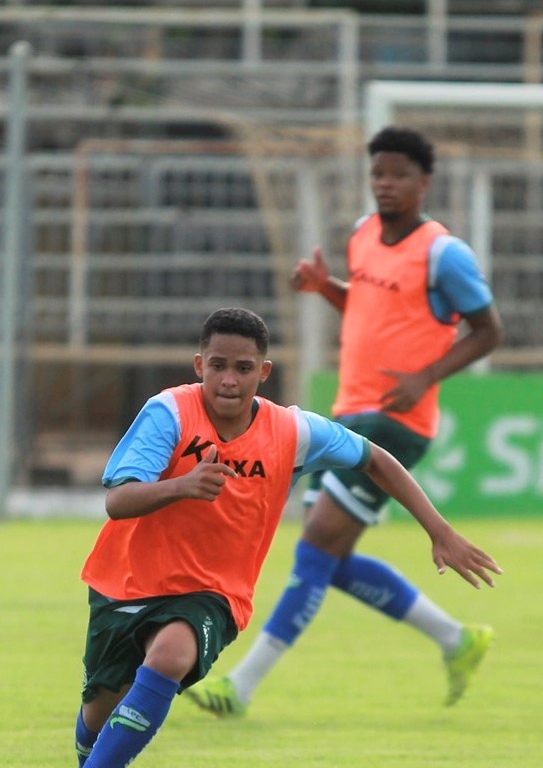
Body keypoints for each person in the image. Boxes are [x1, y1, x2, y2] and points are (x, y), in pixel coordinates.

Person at [35, 307, 499, 768]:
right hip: (125, 582)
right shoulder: (169, 413)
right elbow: (119, 501)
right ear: (199, 366)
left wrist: (438, 530)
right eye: (217, 366)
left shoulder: (292, 430)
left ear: (264, 372)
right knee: (97, 717)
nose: (229, 380)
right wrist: (182, 486)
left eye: (243, 368)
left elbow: (376, 459)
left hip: (214, 591)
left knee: (171, 655)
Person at [184, 126, 504, 720]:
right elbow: (370, 307)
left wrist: (426, 376)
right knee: (327, 561)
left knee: (314, 551)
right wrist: (324, 287)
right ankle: (456, 638)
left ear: (424, 182)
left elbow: (489, 330)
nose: (386, 184)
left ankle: (240, 687)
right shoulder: (363, 234)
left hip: (396, 420)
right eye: (378, 173)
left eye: (399, 174)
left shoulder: (444, 253)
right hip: (350, 411)